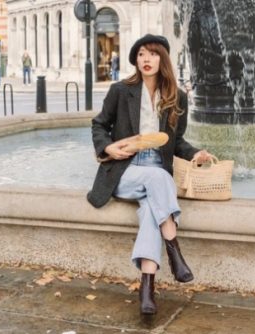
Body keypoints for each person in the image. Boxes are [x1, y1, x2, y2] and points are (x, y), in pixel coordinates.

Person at [86, 34, 214, 316]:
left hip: (157, 169)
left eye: (153, 54)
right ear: (135, 59)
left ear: (163, 59)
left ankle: (147, 289)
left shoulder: (177, 97)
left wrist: (196, 154)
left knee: (149, 214)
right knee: (160, 180)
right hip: (125, 170)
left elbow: (177, 141)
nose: (146, 59)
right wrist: (108, 147)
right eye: (142, 54)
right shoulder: (121, 91)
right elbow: (99, 125)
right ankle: (174, 250)